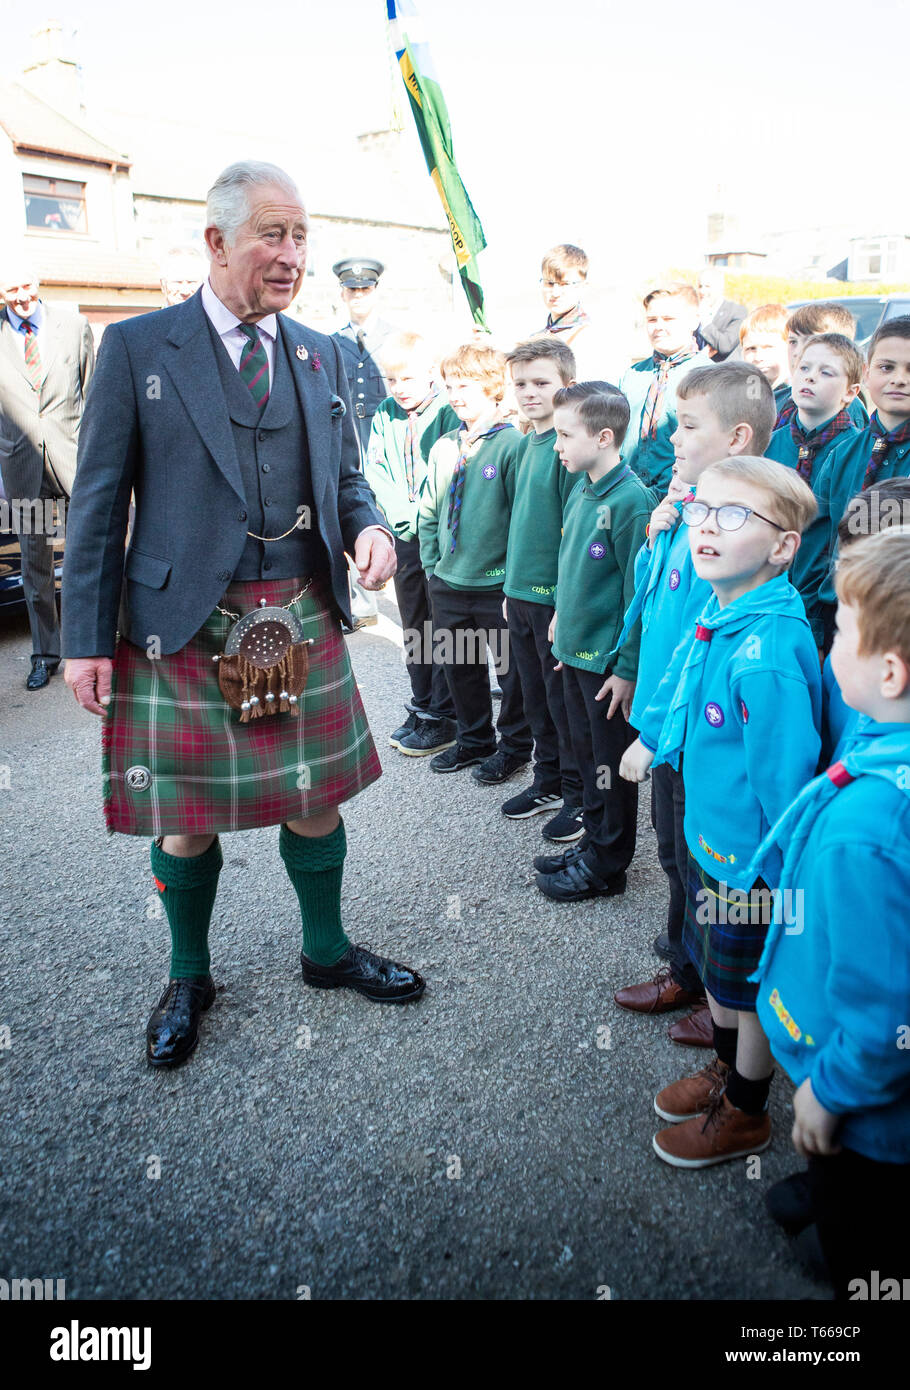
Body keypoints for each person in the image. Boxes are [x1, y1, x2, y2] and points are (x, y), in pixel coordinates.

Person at [61, 160, 424, 1071]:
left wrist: (369, 525)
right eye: (273, 234)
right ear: (216, 241)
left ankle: (327, 951)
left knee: (317, 797)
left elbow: (344, 476)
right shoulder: (140, 349)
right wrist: (82, 642)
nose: (292, 254)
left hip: (298, 612)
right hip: (184, 618)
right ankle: (190, 974)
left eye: (302, 236)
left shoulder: (322, 352)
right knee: (186, 813)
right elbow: (98, 503)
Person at [621, 457, 822, 1167]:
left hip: (752, 867)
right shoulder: (726, 608)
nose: (706, 526)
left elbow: (787, 787)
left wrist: (777, 886)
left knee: (749, 987)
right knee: (723, 984)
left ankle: (745, 1109)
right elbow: (681, 674)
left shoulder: (765, 653)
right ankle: (729, 1066)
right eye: (703, 508)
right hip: (716, 847)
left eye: (733, 516)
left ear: (781, 547)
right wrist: (655, 739)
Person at [753, 526, 910, 1299]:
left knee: (867, 1248)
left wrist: (830, 1092)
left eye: (841, 629)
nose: (828, 642)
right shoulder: (884, 727)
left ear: (890, 668)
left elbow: (887, 1013)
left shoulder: (869, 835)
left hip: (874, 1110)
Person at [612, 365, 777, 1044]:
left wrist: (660, 729)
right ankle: (687, 964)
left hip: (694, 731)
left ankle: (723, 997)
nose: (671, 437)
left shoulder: (740, 527)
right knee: (674, 853)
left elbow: (704, 644)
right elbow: (656, 606)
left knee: (705, 860)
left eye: (688, 425)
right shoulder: (691, 504)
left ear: (737, 436)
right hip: (664, 720)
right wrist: (658, 534)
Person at [533, 383, 654, 903]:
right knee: (584, 754)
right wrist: (562, 613)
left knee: (608, 765)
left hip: (606, 668)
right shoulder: (583, 487)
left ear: (604, 437)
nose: (556, 444)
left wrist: (626, 669)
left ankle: (609, 864)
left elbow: (637, 594)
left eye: (565, 434)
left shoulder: (631, 502)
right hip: (573, 654)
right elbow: (574, 565)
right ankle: (594, 839)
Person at [417, 342, 532, 781]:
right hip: (448, 582)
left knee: (511, 672)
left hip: (495, 585)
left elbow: (522, 520)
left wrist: (512, 580)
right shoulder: (445, 445)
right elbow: (430, 510)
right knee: (459, 668)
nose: (456, 395)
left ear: (492, 388)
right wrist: (431, 566)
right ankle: (473, 740)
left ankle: (515, 746)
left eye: (465, 386)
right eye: (450, 386)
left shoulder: (511, 445)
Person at [501, 338, 586, 842]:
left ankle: (578, 794)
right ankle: (548, 778)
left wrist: (563, 600)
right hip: (521, 594)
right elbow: (521, 522)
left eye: (542, 383)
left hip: (554, 598)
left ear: (566, 387)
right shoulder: (523, 443)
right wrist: (510, 587)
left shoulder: (563, 447)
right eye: (521, 384)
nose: (530, 393)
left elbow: (572, 530)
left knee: (562, 702)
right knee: (534, 696)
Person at [364, 330, 460, 755]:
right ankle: (422, 702)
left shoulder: (446, 412)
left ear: (429, 374)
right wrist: (402, 515)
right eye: (391, 379)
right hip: (405, 534)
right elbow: (376, 468)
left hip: (440, 534)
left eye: (408, 379)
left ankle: (446, 712)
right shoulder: (385, 413)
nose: (399, 388)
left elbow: (450, 472)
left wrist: (422, 515)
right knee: (414, 623)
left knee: (444, 625)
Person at [0, 264, 94, 689]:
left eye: (25, 286)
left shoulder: (74, 327)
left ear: (38, 282)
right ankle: (45, 654)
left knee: (87, 559)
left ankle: (92, 646)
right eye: (9, 291)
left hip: (74, 461)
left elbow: (94, 397)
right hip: (23, 468)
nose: (20, 297)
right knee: (35, 566)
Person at [814, 316, 910, 653]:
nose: (900, 379)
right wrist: (815, 632)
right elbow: (817, 548)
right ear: (866, 373)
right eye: (887, 367)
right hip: (837, 621)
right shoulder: (842, 455)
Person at [765, 333, 862, 647]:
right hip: (765, 596)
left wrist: (820, 627)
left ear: (851, 392)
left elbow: (840, 540)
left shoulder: (856, 451)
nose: (809, 376)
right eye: (804, 367)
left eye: (826, 372)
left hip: (823, 612)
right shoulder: (770, 444)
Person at [619, 283, 712, 491]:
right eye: (652, 319)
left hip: (685, 495)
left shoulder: (711, 376)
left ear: (694, 321)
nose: (659, 326)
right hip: (629, 494)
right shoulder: (632, 375)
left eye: (669, 318)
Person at [331, 258, 400, 455]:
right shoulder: (331, 343)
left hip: (389, 435)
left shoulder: (395, 339)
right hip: (348, 439)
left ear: (376, 292)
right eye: (352, 290)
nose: (358, 296)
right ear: (343, 294)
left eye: (365, 290)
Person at [777, 302, 868, 430]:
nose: (798, 352)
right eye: (793, 341)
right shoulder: (776, 399)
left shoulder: (849, 410)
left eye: (811, 342)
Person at [532, 244, 613, 382]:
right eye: (549, 283)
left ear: (583, 287)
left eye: (565, 284)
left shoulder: (593, 338)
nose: (555, 293)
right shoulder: (534, 339)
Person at [739, 304, 790, 417]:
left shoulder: (796, 404)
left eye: (768, 348)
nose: (758, 357)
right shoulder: (740, 398)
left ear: (790, 348)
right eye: (751, 348)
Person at [695, 267, 746, 362]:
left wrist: (705, 321)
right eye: (700, 286)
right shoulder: (694, 311)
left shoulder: (737, 311)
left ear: (720, 287)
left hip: (725, 372)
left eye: (707, 286)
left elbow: (725, 346)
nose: (702, 291)